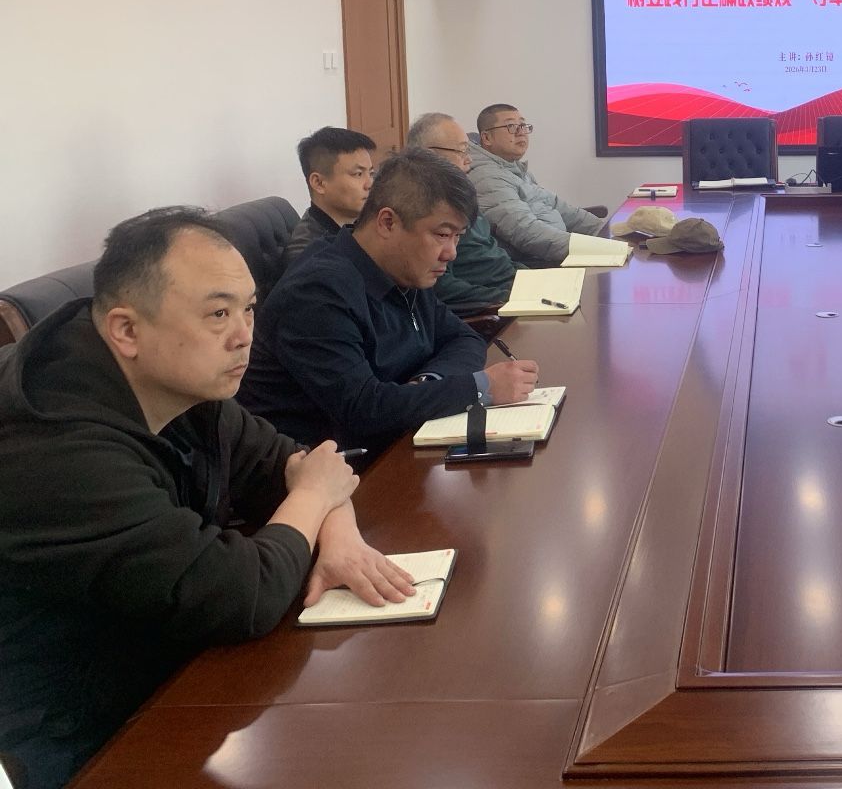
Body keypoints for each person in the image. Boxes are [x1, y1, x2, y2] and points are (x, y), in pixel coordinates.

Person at [0, 208, 414, 789]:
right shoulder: (56, 451)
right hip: (71, 736)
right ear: (126, 330)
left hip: (167, 663)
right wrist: (315, 496)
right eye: (218, 313)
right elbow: (242, 595)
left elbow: (303, 464)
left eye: (248, 308)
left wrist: (337, 530)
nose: (245, 335)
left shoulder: (175, 377)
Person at [239, 149, 540, 452]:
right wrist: (480, 388)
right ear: (387, 222)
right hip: (334, 462)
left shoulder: (405, 269)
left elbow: (464, 338)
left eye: (457, 236)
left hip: (399, 439)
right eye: (442, 234)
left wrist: (425, 384)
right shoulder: (316, 292)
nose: (451, 253)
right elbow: (363, 410)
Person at [407, 112, 524, 312]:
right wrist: (509, 298)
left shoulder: (461, 194)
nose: (469, 160)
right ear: (430, 154)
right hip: (495, 303)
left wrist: (533, 279)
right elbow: (443, 287)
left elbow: (494, 253)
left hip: (515, 285)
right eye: (461, 151)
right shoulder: (423, 207)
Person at [468, 104, 608, 265]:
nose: (521, 132)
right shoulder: (487, 177)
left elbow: (561, 208)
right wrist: (595, 248)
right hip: (537, 264)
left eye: (523, 125)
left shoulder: (514, 168)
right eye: (511, 126)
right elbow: (526, 233)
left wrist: (607, 233)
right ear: (487, 138)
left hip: (558, 254)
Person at [284, 126, 376, 263]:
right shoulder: (311, 256)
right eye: (358, 174)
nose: (370, 184)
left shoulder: (357, 227)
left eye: (371, 173)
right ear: (319, 183)